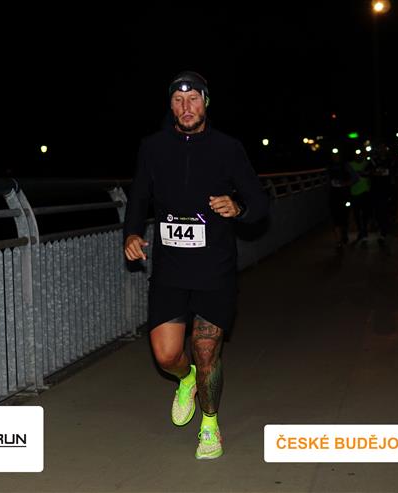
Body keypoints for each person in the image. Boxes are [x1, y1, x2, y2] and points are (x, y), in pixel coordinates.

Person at [123, 70, 269, 459]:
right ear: (170, 106)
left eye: (193, 99)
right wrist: (132, 234)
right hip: (170, 268)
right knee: (167, 356)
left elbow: (260, 203)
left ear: (205, 102)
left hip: (214, 267)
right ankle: (185, 379)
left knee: (206, 351)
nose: (186, 107)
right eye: (178, 100)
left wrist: (238, 208)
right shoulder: (153, 148)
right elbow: (139, 197)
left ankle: (209, 425)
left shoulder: (227, 148)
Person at [327, 150, 357, 250]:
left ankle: (344, 233)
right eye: (333, 155)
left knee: (345, 216)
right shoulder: (329, 166)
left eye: (337, 155)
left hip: (345, 196)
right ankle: (338, 241)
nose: (335, 157)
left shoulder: (346, 165)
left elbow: (355, 178)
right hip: (333, 196)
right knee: (335, 218)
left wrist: (346, 183)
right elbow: (327, 181)